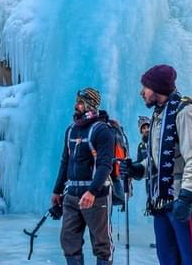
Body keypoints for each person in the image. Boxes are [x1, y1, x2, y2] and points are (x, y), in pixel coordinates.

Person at [121, 64, 192, 265]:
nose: (141, 92)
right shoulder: (159, 116)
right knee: (168, 260)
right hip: (163, 200)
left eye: (145, 87)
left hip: (189, 198)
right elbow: (159, 159)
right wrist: (139, 169)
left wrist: (187, 197)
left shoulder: (186, 113)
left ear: (157, 88)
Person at [51, 87, 115, 265]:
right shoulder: (71, 130)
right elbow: (65, 162)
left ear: (90, 105)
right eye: (76, 102)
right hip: (71, 195)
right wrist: (57, 190)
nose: (76, 106)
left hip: (96, 196)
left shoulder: (102, 130)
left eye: (80, 102)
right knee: (68, 240)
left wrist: (93, 191)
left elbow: (105, 165)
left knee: (102, 244)